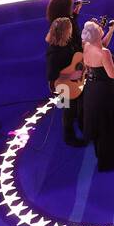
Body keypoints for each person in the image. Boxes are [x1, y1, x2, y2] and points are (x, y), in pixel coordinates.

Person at [81, 18, 114, 171]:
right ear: (97, 34)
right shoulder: (105, 53)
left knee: (98, 125)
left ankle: (100, 155)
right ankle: (109, 162)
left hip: (91, 89)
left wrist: (111, 31)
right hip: (104, 91)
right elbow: (112, 75)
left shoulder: (86, 46)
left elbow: (101, 44)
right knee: (108, 126)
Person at [45, 16, 86, 147]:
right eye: (69, 29)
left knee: (79, 108)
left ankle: (84, 128)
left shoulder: (68, 43)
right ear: (64, 31)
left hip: (75, 82)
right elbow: (53, 77)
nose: (71, 30)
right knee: (68, 112)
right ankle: (69, 137)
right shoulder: (53, 53)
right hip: (62, 86)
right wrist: (72, 75)